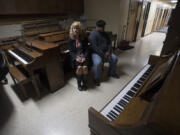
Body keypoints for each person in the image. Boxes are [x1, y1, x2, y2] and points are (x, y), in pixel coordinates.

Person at [89, 20, 119, 86]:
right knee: (98, 63)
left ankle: (111, 73)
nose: (103, 28)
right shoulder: (93, 34)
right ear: (96, 27)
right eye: (101, 27)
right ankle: (96, 78)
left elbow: (109, 44)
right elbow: (94, 48)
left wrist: (108, 52)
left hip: (106, 53)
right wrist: (103, 54)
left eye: (103, 26)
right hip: (96, 53)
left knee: (115, 58)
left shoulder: (105, 34)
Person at [68, 21, 90, 91]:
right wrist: (76, 58)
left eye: (77, 28)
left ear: (80, 29)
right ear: (72, 29)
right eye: (74, 28)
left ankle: (85, 83)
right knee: (80, 67)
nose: (75, 30)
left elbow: (86, 49)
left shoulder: (84, 37)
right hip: (75, 57)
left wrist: (84, 57)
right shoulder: (70, 39)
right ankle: (79, 84)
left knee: (85, 67)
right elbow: (71, 51)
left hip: (84, 55)